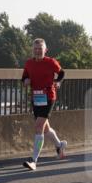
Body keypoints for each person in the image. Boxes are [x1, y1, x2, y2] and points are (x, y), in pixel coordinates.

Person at [21, 38, 67, 171]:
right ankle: (59, 145)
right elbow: (24, 77)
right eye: (35, 49)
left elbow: (62, 73)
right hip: (36, 98)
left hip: (48, 97)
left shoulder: (51, 62)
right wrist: (26, 81)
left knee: (38, 126)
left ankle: (34, 160)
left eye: (40, 49)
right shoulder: (29, 63)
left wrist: (58, 82)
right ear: (32, 50)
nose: (37, 51)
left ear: (45, 50)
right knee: (45, 128)